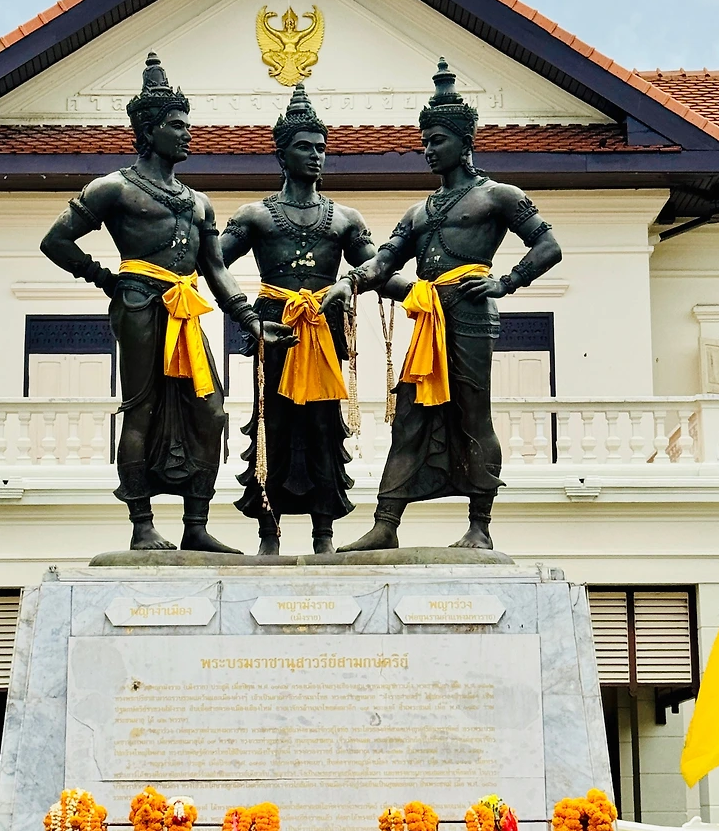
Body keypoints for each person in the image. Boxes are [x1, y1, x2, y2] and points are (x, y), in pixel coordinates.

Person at [39, 52, 292, 553]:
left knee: (210, 412)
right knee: (142, 410)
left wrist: (248, 320)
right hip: (139, 303)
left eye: (187, 124)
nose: (187, 134)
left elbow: (216, 269)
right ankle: (142, 524)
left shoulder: (198, 201)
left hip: (184, 307)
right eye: (177, 125)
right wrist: (105, 279)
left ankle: (195, 525)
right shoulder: (113, 188)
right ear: (148, 130)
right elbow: (56, 241)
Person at [322, 60, 562, 551]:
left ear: (463, 140)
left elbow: (548, 247)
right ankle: (386, 523)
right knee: (409, 415)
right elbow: (384, 261)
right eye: (425, 141)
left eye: (436, 140)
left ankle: (480, 525)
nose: (428, 150)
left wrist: (506, 282)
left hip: (471, 312)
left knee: (473, 414)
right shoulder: (420, 211)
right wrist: (351, 281)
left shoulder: (498, 196)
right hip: (430, 318)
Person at [221, 85, 409, 555]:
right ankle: (269, 534)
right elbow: (212, 264)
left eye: (321, 147)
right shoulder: (255, 216)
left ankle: (324, 533)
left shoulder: (344, 218)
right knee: (272, 426)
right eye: (305, 147)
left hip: (323, 331)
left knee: (324, 429)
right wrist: (243, 313)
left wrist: (428, 293)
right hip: (274, 329)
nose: (316, 155)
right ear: (282, 154)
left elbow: (378, 270)